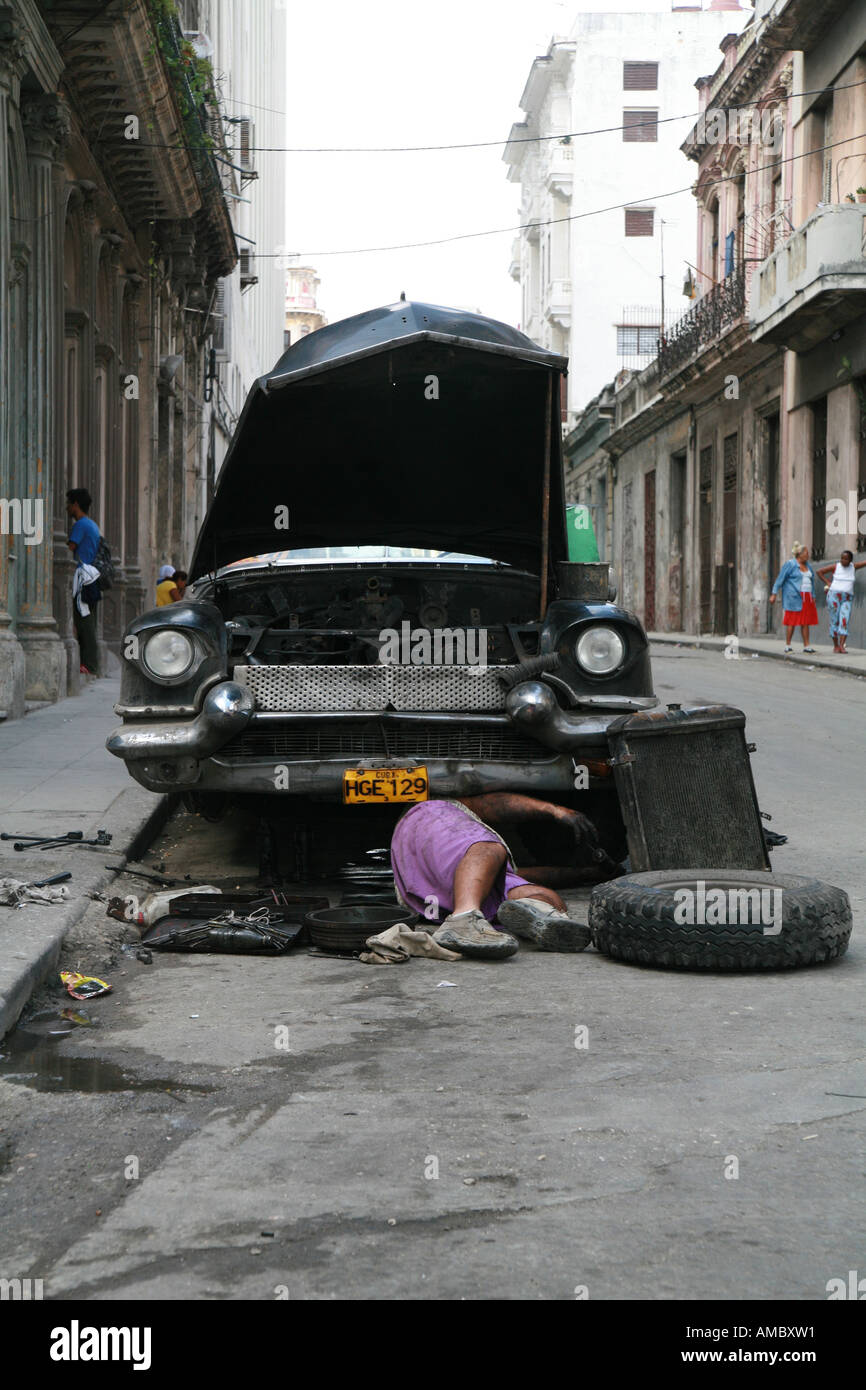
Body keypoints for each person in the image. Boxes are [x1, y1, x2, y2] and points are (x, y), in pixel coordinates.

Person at [389, 792, 620, 960]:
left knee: (544, 897)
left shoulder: (474, 866)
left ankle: (539, 917)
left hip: (439, 892)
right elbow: (491, 804)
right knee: (489, 848)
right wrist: (555, 810)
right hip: (425, 818)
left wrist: (585, 874)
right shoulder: (440, 807)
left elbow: (514, 873)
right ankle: (463, 919)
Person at [65, 488, 101, 676]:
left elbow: (70, 547)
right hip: (91, 577)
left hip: (82, 577)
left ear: (76, 504)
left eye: (69, 504)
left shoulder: (80, 525)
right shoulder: (92, 525)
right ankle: (90, 663)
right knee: (89, 619)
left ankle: (89, 664)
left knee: (83, 620)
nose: (67, 508)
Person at [770, 543, 818, 653]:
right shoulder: (790, 564)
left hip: (807, 596)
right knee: (791, 621)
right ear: (799, 554)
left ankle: (807, 646)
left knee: (805, 622)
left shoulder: (808, 566)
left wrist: (813, 595)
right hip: (794, 597)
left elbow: (811, 581)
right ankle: (788, 645)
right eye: (806, 553)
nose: (808, 555)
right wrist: (774, 593)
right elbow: (780, 579)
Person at [816, 550, 866, 654]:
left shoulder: (853, 567)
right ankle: (836, 646)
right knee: (834, 621)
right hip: (834, 596)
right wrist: (827, 582)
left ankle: (842, 645)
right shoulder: (836, 566)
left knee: (844, 620)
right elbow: (819, 572)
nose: (843, 560)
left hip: (847, 598)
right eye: (842, 558)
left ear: (850, 560)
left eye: (846, 559)